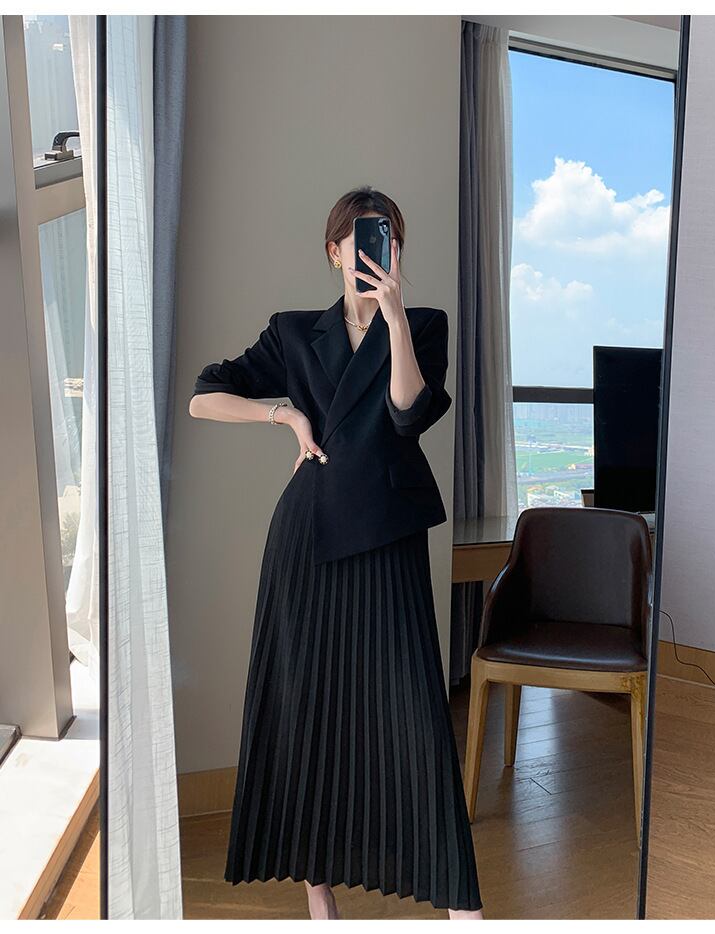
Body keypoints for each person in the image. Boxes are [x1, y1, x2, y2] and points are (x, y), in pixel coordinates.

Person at [189, 186, 483, 920]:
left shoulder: (423, 324)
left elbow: (408, 414)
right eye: (362, 239)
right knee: (307, 709)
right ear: (333, 251)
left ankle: (462, 908)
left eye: (389, 240)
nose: (377, 252)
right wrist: (284, 413)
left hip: (388, 534)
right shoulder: (294, 332)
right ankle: (318, 895)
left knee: (414, 715)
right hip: (308, 538)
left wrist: (393, 319)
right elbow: (204, 396)